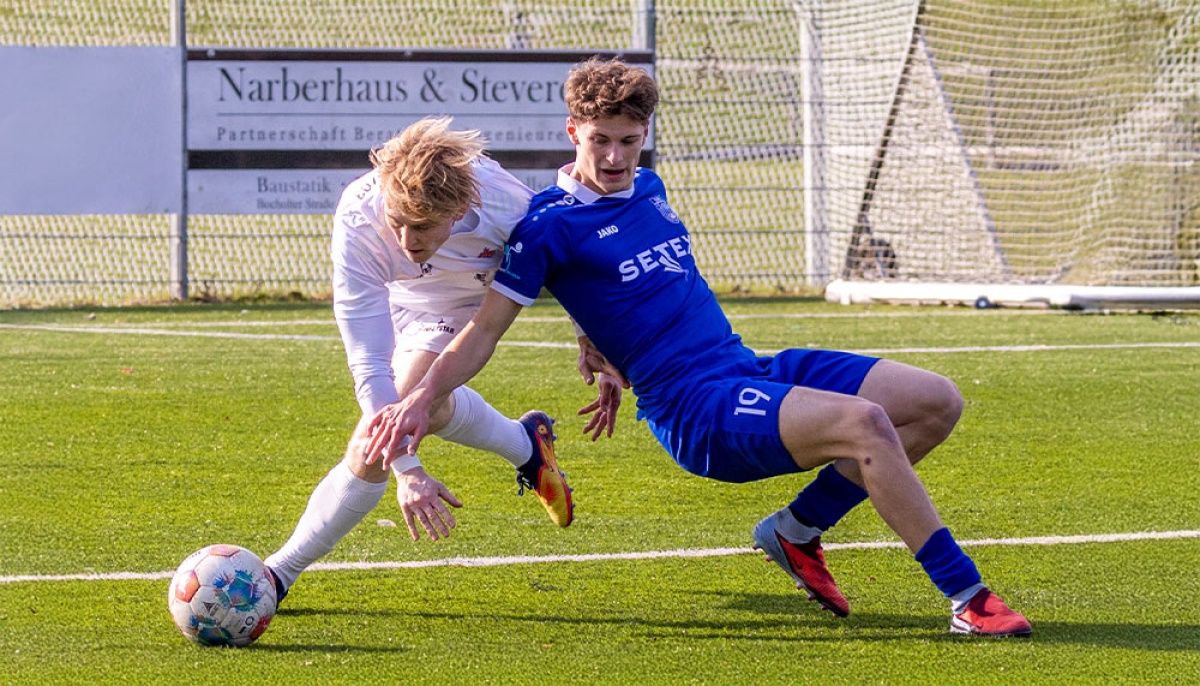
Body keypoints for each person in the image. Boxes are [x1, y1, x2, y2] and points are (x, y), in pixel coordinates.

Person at [363, 59, 1031, 638]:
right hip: (695, 409)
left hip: (746, 367)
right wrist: (422, 397)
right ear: (573, 133)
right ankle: (969, 598)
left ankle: (797, 530)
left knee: (934, 402)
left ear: (645, 135)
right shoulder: (546, 227)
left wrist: (599, 342)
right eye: (600, 141)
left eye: (629, 141)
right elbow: (483, 330)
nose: (615, 157)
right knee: (866, 425)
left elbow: (627, 290)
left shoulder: (650, 188)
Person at [264, 117, 599, 601]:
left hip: (459, 304)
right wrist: (409, 469)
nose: (406, 240)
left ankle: (277, 575)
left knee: (379, 436)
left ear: (461, 208)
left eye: (422, 227)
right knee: (424, 412)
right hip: (392, 298)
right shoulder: (359, 218)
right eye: (397, 222)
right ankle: (526, 444)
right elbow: (368, 364)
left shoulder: (506, 203)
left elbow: (566, 261)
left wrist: (587, 335)